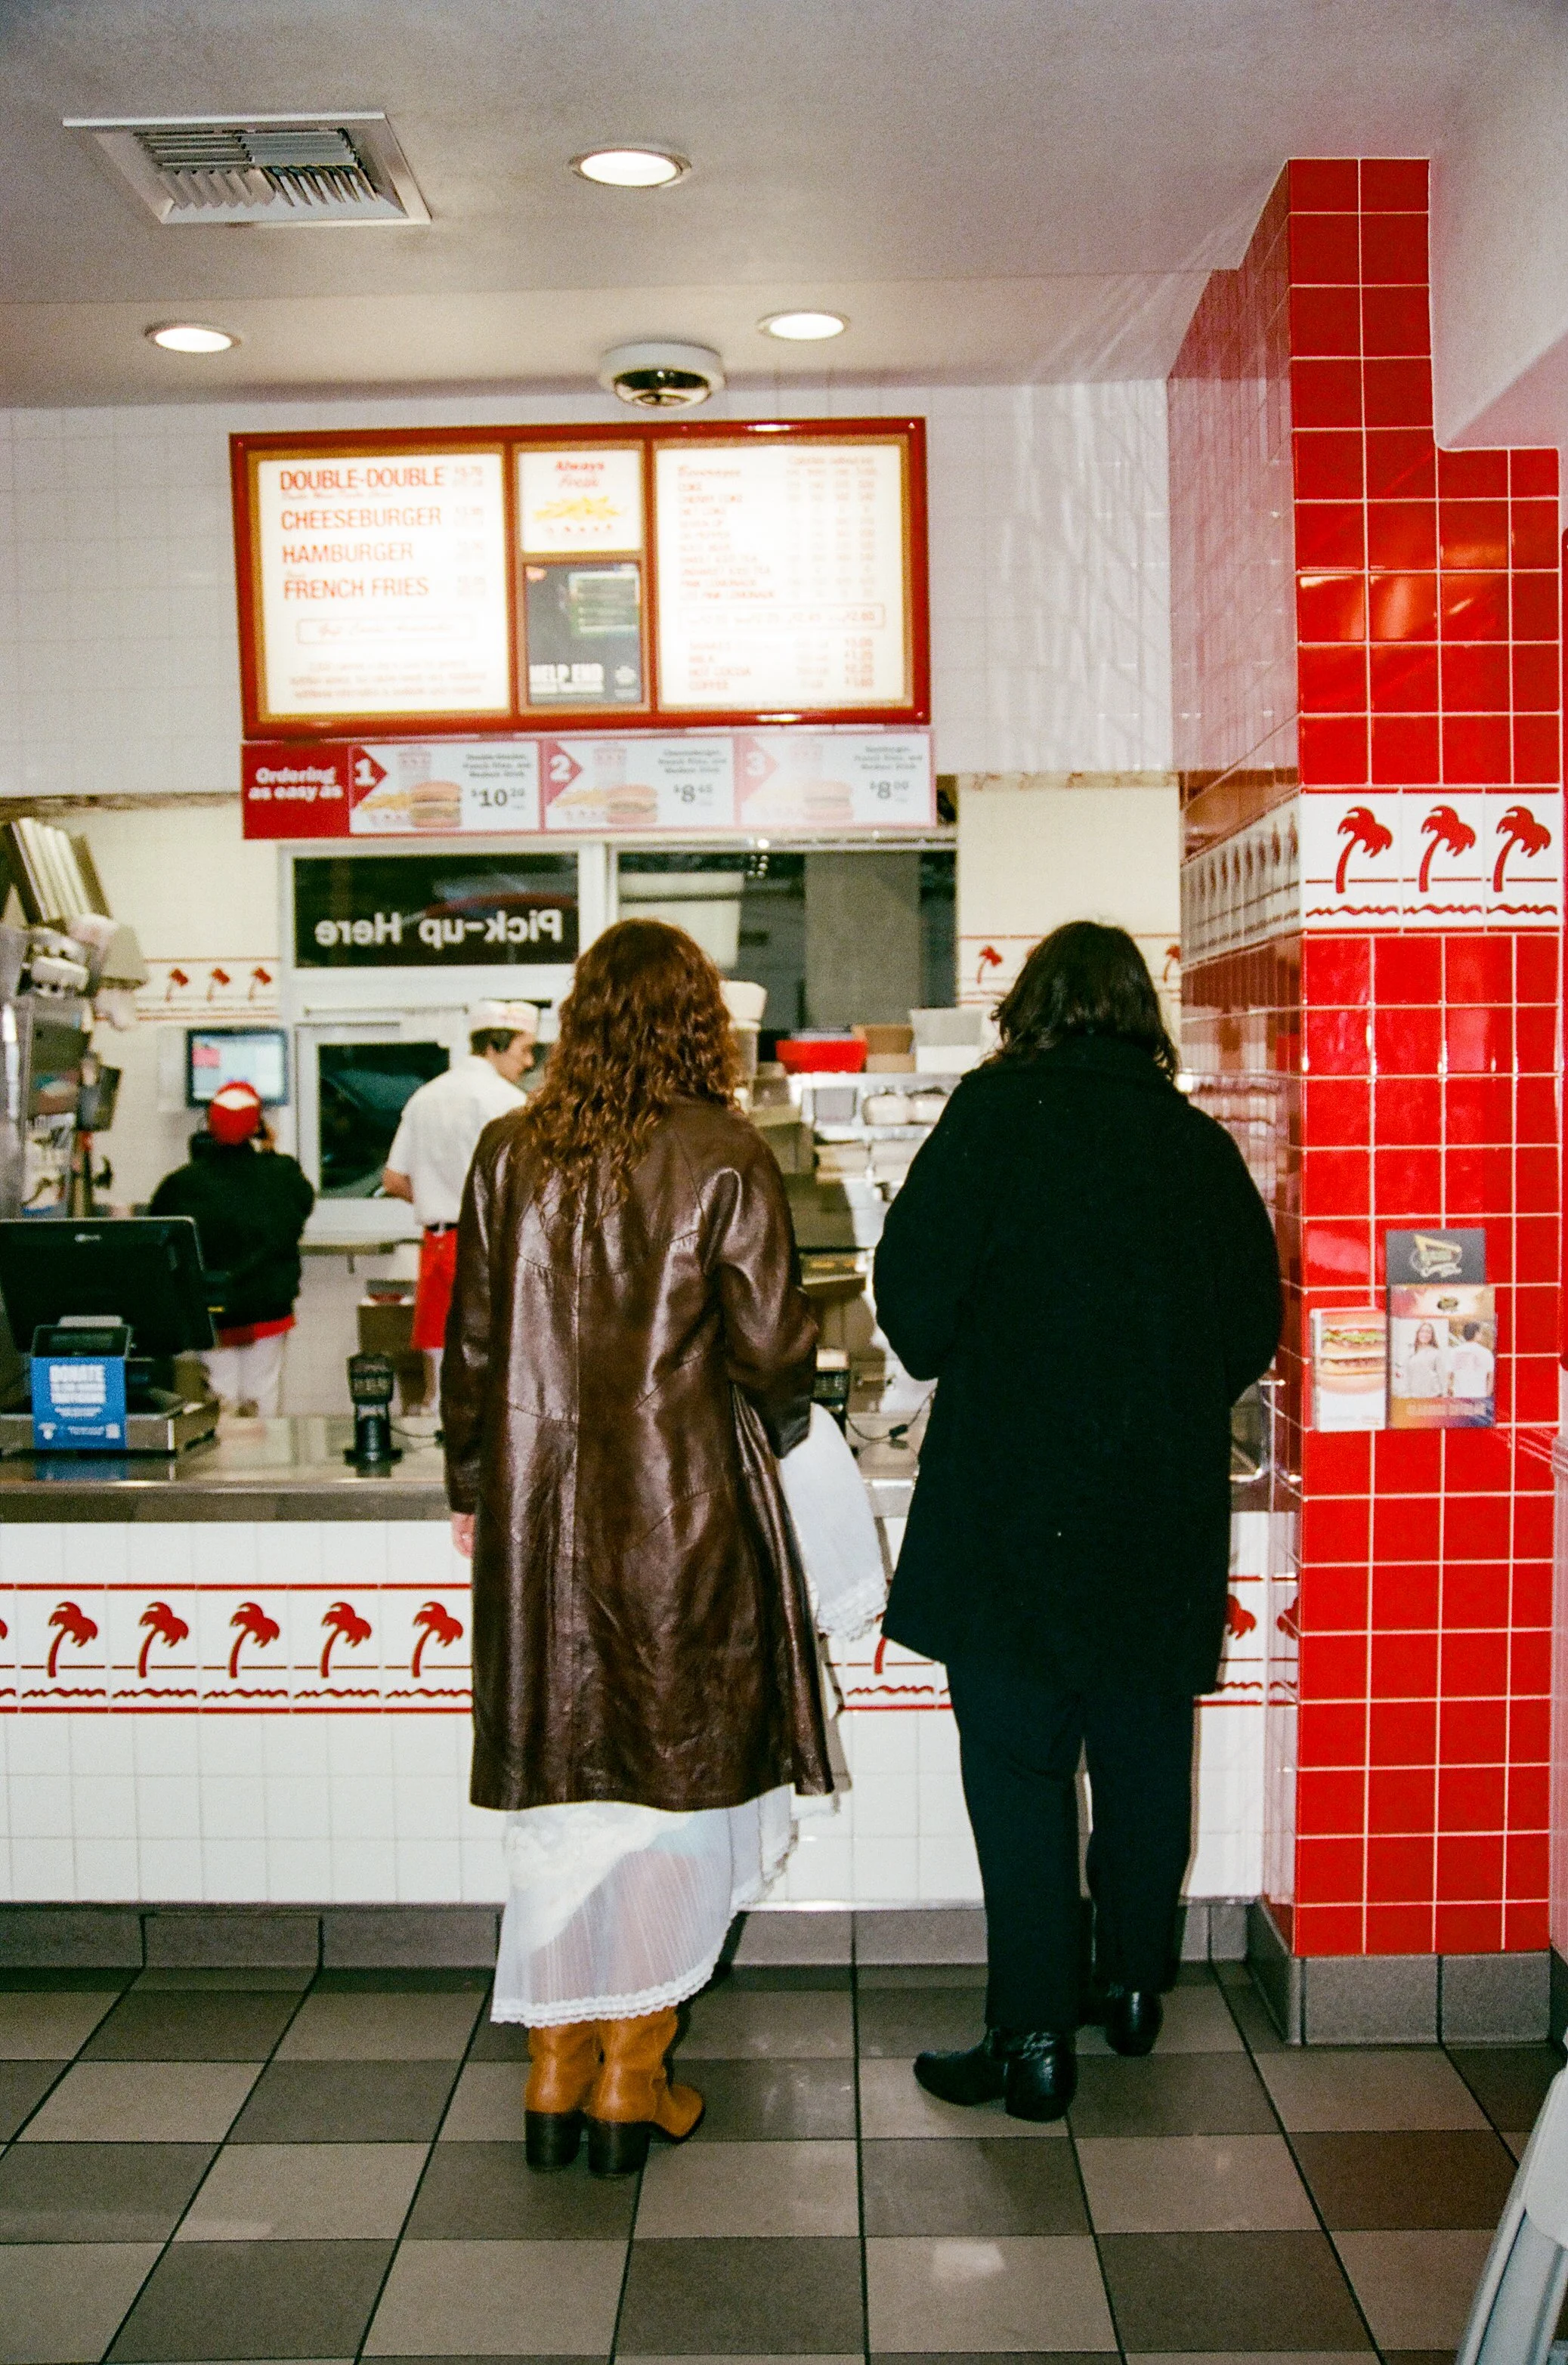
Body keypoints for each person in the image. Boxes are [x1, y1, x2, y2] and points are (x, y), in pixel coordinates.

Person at [873, 921, 1281, 2122]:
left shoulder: (987, 1121)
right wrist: (1153, 1399)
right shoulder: (1193, 1143)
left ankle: (1032, 2034)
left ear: (1026, 1011)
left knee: (1017, 1774)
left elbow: (911, 1309)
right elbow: (1248, 1327)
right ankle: (1135, 1987)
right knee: (1146, 1751)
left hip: (1007, 1508)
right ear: (1138, 1015)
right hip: (1154, 1507)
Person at [443, 920, 831, 2178]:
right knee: (673, 1796)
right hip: (685, 1515)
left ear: (577, 1018)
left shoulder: (509, 1151)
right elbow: (774, 1347)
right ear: (698, 1021)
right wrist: (784, 1425)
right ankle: (630, 2074)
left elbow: (475, 1347)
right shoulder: (724, 1150)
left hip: (536, 1525)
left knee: (563, 1803)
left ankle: (552, 2073)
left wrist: (469, 1484)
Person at [382, 1000, 538, 1379]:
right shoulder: (511, 1105)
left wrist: (443, 1199)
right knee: (495, 1367)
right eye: (525, 1050)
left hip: (438, 1249)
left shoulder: (425, 1097)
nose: (530, 1062)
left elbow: (394, 1180)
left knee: (442, 1367)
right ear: (495, 1046)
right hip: (491, 1249)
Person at [150, 1078, 314, 1416]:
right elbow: (302, 1205)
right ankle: (262, 1465)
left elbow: (160, 1238)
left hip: (211, 1313)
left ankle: (223, 1465)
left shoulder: (181, 1184)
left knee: (220, 1396)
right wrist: (269, 1151)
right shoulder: (282, 1174)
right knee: (262, 1393)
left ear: (210, 1125)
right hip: (267, 1308)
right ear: (258, 1125)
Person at [1448, 1320, 1494, 1401]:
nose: (1481, 1335)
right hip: (1479, 1397)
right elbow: (1490, 1378)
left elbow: (1448, 1376)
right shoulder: (1486, 1353)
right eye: (1480, 1333)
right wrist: (1487, 1396)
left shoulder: (1454, 1352)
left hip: (1459, 1398)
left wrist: (1449, 1393)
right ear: (1476, 1334)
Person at [1402, 1319, 1446, 1397]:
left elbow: (1442, 1376)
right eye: (1422, 1331)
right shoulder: (1411, 1352)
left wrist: (1444, 1395)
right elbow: (1406, 1375)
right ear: (1418, 1333)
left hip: (1433, 1396)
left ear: (1432, 1336)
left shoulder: (1436, 1353)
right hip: (1413, 1396)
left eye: (1428, 1332)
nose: (1425, 1334)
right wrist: (1406, 1394)